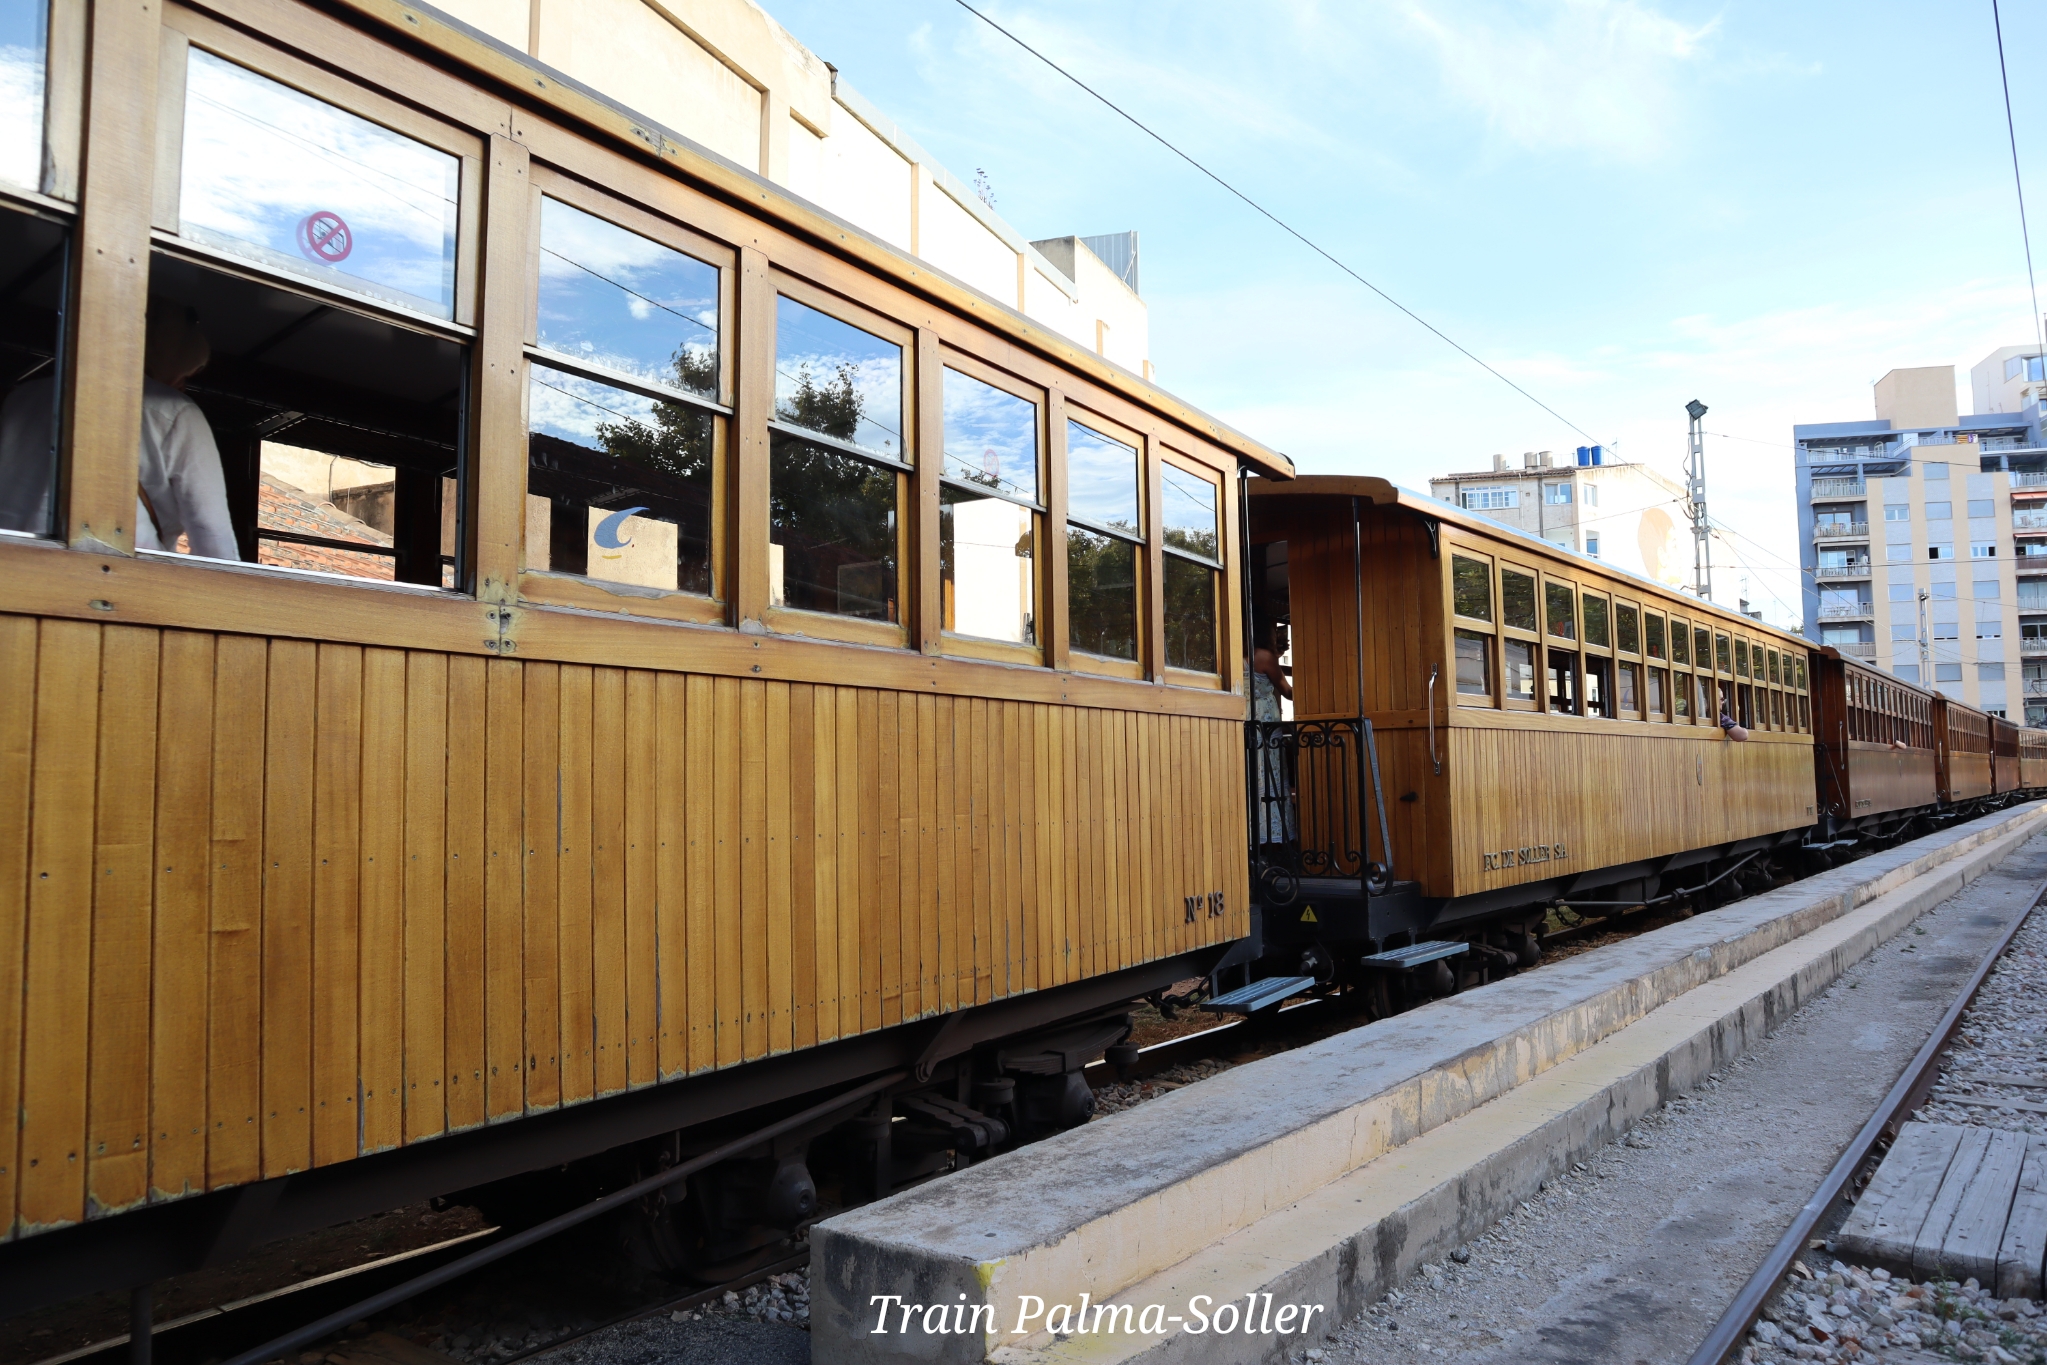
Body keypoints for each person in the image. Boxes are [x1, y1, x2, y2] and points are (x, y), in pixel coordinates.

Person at [0, 297, 239, 558]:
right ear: (169, 357)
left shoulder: (21, 397)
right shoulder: (177, 412)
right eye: (186, 373)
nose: (183, 385)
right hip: (114, 580)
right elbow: (212, 536)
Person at [1252, 619, 1297, 849]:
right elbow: (1287, 691)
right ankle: (1274, 836)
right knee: (1271, 774)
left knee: (1253, 775)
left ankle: (1253, 834)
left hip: (1247, 719)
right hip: (1266, 722)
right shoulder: (1263, 656)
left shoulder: (1234, 653)